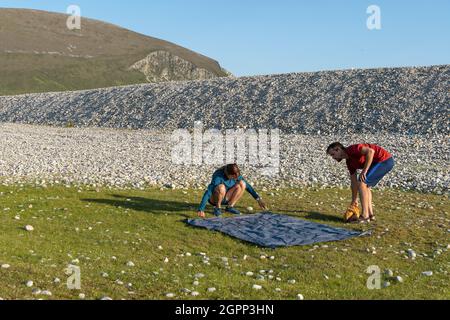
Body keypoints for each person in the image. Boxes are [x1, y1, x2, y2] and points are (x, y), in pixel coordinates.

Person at [327, 142, 395, 223]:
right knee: (366, 186)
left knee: (362, 183)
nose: (333, 157)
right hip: (380, 162)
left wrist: (364, 171)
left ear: (338, 149)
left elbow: (371, 151)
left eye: (333, 154)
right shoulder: (349, 162)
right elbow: (353, 183)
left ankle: (365, 216)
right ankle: (370, 215)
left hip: (384, 160)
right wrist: (354, 201)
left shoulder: (352, 149)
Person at [197, 164, 267, 218]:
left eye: (236, 177)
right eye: (233, 177)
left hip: (227, 197)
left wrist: (258, 199)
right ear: (228, 174)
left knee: (242, 183)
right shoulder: (218, 176)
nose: (234, 178)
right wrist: (201, 209)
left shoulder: (236, 175)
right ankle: (217, 208)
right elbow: (208, 192)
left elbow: (248, 186)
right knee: (221, 187)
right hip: (214, 199)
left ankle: (230, 207)